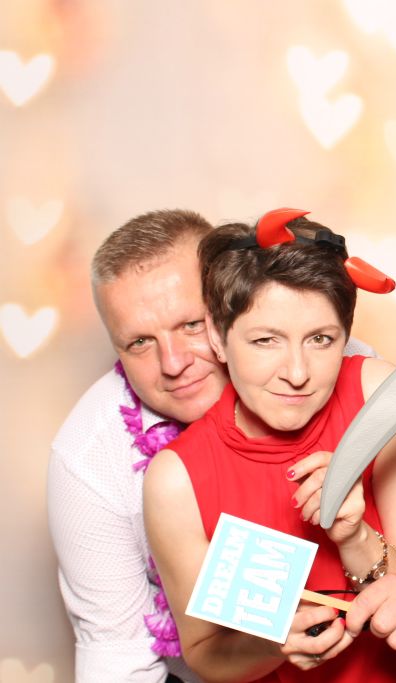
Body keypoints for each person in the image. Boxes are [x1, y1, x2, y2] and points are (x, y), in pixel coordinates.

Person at [143, 210, 396, 682]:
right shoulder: (176, 480)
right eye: (265, 340)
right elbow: (205, 651)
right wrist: (273, 644)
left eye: (320, 339)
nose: (296, 373)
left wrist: (354, 538)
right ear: (217, 337)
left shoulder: (378, 399)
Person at [48, 209, 228, 682]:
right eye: (140, 342)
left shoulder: (316, 364)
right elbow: (117, 654)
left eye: (191, 324)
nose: (173, 363)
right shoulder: (87, 455)